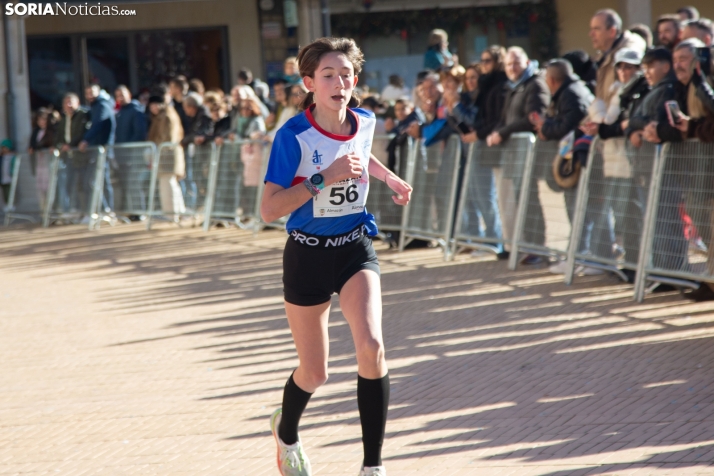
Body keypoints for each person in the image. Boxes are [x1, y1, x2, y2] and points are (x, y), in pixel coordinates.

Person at [262, 36, 412, 476]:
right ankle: (286, 432)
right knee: (315, 372)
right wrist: (320, 179)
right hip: (306, 254)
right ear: (309, 82)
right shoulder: (293, 135)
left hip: (353, 247)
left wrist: (389, 178)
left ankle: (372, 467)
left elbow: (361, 157)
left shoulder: (364, 121)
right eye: (328, 75)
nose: (339, 82)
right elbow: (270, 209)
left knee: (372, 347)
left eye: (346, 74)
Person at [487, 46, 549, 264]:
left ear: (527, 61)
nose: (512, 68)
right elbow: (505, 119)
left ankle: (538, 248)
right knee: (522, 201)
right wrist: (496, 131)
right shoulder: (513, 87)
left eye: (516, 63)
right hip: (515, 156)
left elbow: (533, 118)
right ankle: (529, 246)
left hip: (530, 155)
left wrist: (502, 133)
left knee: (531, 201)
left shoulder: (535, 84)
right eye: (509, 64)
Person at [589, 9, 646, 124]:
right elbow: (602, 98)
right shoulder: (603, 56)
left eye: (596, 29)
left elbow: (626, 88)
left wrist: (607, 125)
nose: (591, 34)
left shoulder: (631, 48)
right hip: (606, 124)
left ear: (612, 32)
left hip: (621, 125)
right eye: (591, 29)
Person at [147, 95, 186, 221]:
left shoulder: (166, 116)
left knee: (167, 184)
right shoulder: (163, 116)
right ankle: (178, 212)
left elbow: (168, 138)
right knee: (171, 184)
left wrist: (156, 150)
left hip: (167, 155)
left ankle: (171, 214)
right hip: (167, 154)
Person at [79, 84, 116, 213]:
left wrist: (85, 140)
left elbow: (98, 125)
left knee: (100, 180)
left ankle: (108, 210)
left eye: (92, 92)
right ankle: (105, 209)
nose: (90, 95)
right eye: (87, 93)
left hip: (102, 150)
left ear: (99, 92)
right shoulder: (94, 107)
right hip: (96, 150)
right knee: (95, 180)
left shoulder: (102, 106)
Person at [113, 85, 148, 215]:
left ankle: (139, 212)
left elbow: (139, 132)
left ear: (129, 95)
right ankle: (132, 211)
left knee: (134, 183)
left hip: (134, 153)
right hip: (122, 155)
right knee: (127, 184)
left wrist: (129, 148)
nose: (120, 98)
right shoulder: (119, 113)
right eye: (117, 96)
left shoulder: (136, 110)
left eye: (122, 95)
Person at [55, 92, 89, 213]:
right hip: (67, 157)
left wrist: (70, 145)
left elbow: (82, 133)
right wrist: (60, 145)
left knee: (83, 185)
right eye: (66, 102)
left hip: (81, 156)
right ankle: (70, 211)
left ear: (78, 103)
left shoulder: (83, 115)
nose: (69, 105)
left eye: (71, 102)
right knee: (68, 185)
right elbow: (59, 136)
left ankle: (84, 211)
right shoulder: (63, 119)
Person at [29, 108, 59, 211]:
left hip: (49, 163)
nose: (41, 122)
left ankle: (52, 211)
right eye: (39, 119)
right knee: (41, 188)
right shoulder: (36, 132)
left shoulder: (52, 132)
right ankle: (44, 212)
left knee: (50, 187)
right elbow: (33, 145)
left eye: (44, 119)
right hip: (40, 163)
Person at [0, 139, 16, 205]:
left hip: (10, 177)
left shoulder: (12, 156)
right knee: (5, 193)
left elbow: (14, 166)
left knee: (10, 193)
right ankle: (7, 205)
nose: (4, 150)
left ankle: (11, 205)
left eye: (5, 148)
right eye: (2, 148)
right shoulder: (1, 157)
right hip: (3, 178)